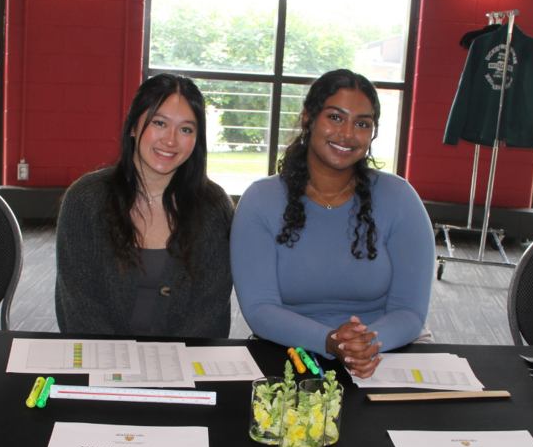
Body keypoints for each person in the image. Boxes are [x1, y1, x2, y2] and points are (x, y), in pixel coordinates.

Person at [230, 69, 435, 379]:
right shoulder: (260, 200)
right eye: (336, 118)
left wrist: (366, 344)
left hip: (385, 350)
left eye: (362, 124)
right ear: (308, 118)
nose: (348, 134)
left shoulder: (400, 198)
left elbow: (410, 310)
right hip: (290, 351)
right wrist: (331, 342)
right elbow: (260, 309)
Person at [55, 74, 234, 337]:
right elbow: (79, 305)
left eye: (186, 129)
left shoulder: (214, 207)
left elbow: (211, 309)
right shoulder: (85, 199)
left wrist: (172, 367)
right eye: (159, 123)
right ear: (133, 127)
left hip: (183, 365)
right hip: (101, 360)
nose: (171, 140)